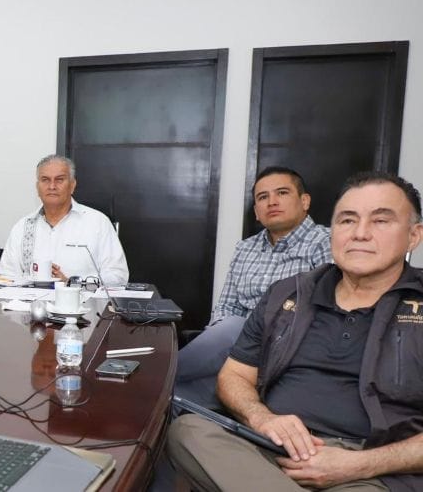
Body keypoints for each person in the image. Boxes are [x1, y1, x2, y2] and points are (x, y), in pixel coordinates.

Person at [168, 171, 423, 491]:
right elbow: (233, 376)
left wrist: (358, 464)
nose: (360, 233)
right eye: (347, 220)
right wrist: (262, 418)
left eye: (381, 221)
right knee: (188, 430)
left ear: (414, 235)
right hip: (268, 449)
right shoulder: (288, 294)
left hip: (373, 469)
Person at [174, 166, 331, 410]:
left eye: (282, 193)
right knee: (171, 397)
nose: (272, 202)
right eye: (263, 197)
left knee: (237, 326)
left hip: (287, 352)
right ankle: (159, 383)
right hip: (237, 354)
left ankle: (157, 373)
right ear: (257, 212)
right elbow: (226, 306)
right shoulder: (245, 248)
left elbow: (329, 316)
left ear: (304, 201)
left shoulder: (326, 242)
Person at [0, 154, 129, 286]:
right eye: (45, 180)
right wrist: (30, 281)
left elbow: (118, 276)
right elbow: (5, 276)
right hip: (30, 299)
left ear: (72, 185)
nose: (52, 186)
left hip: (83, 299)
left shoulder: (98, 223)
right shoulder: (22, 226)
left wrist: (71, 283)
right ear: (37, 187)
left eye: (59, 180)